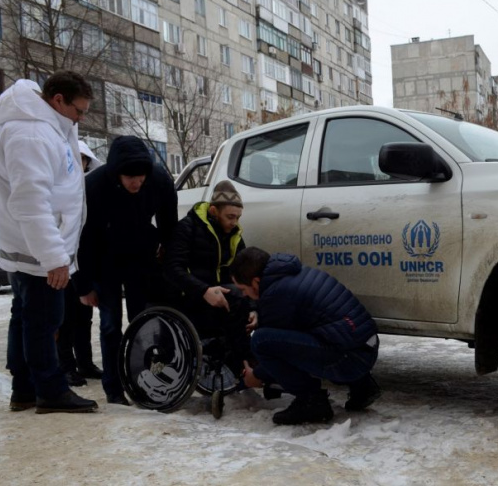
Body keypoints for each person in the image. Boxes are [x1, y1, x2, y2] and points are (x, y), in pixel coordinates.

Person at [0, 71, 98, 413]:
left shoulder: (40, 126)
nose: (80, 118)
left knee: (25, 318)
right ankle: (50, 391)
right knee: (44, 322)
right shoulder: (31, 133)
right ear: (58, 100)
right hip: (38, 252)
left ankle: (23, 389)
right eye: (78, 110)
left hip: (31, 249)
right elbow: (31, 202)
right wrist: (54, 256)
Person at [76, 135, 177, 405]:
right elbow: (82, 238)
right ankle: (114, 389)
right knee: (110, 326)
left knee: (143, 323)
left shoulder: (159, 181)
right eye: (130, 177)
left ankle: (143, 383)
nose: (136, 182)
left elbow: (170, 227)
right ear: (116, 173)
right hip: (104, 259)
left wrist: (170, 265)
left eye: (140, 177)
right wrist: (84, 285)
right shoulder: (93, 186)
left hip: (140, 258)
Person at [231, 247, 381, 425]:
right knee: (323, 335)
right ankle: (362, 386)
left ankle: (311, 402)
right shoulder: (290, 274)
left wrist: (255, 376)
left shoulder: (275, 293)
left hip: (349, 360)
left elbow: (276, 351)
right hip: (366, 347)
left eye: (243, 288)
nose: (243, 294)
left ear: (255, 282)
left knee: (261, 341)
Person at [164, 180, 251, 377]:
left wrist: (254, 308)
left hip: (219, 293)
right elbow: (172, 268)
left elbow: (245, 273)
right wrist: (203, 291)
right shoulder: (187, 228)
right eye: (230, 217)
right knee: (236, 297)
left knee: (247, 297)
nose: (234, 222)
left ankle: (243, 360)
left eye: (238, 217)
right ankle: (239, 364)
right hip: (189, 295)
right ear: (213, 211)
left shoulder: (234, 234)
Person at [57, 141, 104, 387]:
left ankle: (84, 363)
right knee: (65, 319)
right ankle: (66, 367)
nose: (80, 163)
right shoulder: (61, 186)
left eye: (84, 160)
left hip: (83, 260)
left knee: (83, 316)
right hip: (63, 259)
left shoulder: (89, 187)